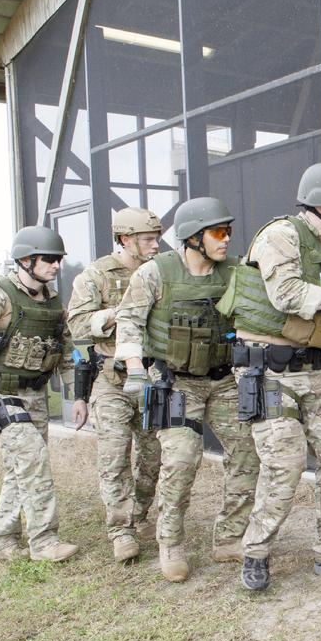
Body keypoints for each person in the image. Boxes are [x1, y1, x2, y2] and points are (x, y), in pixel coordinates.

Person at [220, 162, 321, 591]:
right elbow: (287, 294)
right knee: (284, 463)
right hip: (268, 371)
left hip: (314, 371)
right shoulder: (281, 236)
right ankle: (254, 551)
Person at [114, 198, 259, 583]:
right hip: (176, 383)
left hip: (225, 381)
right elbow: (128, 320)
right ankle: (171, 542)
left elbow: (254, 315)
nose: (226, 239)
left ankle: (229, 537)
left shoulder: (234, 272)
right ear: (193, 237)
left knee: (247, 453)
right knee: (180, 460)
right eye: (217, 232)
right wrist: (133, 366)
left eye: (228, 231)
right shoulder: (156, 273)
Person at [0, 226, 87, 562]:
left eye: (59, 260)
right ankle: (44, 541)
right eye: (50, 259)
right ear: (26, 260)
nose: (56, 266)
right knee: (33, 461)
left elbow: (67, 354)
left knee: (19, 469)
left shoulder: (53, 302)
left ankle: (2, 541)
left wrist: (77, 396)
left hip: (36, 395)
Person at [67, 208, 163, 563]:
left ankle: (140, 515)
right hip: (112, 378)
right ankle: (120, 529)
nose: (156, 245)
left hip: (153, 376)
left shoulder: (162, 271)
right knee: (114, 454)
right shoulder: (95, 276)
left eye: (157, 238)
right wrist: (113, 315)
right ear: (125, 240)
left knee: (154, 455)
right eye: (148, 239)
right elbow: (76, 326)